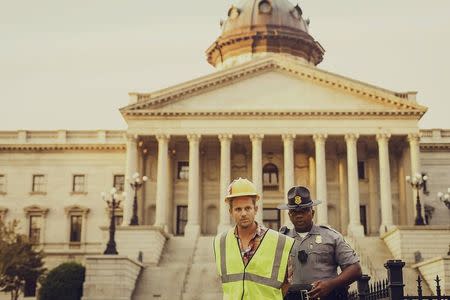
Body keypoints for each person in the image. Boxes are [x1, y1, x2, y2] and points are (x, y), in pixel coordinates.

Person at [213, 178, 295, 300]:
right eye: (238, 209)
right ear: (230, 211)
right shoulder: (220, 242)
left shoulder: (281, 242)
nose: (243, 213)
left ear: (255, 209)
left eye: (247, 208)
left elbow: (287, 283)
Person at [278, 186, 362, 300]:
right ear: (289, 215)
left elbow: (355, 269)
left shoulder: (331, 237)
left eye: (303, 210)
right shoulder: (282, 239)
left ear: (312, 213)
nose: (299, 215)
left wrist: (330, 284)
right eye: (294, 211)